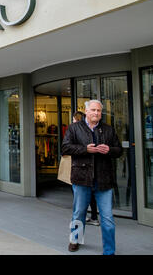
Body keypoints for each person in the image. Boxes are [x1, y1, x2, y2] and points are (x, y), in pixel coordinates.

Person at [62, 100, 122, 255]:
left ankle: (109, 251)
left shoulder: (108, 129)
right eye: (93, 110)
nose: (96, 113)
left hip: (104, 179)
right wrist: (85, 149)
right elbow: (65, 148)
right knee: (78, 213)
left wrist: (109, 150)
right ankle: (75, 240)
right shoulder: (74, 128)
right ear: (86, 111)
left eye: (99, 111)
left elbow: (119, 150)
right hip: (81, 179)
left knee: (107, 219)